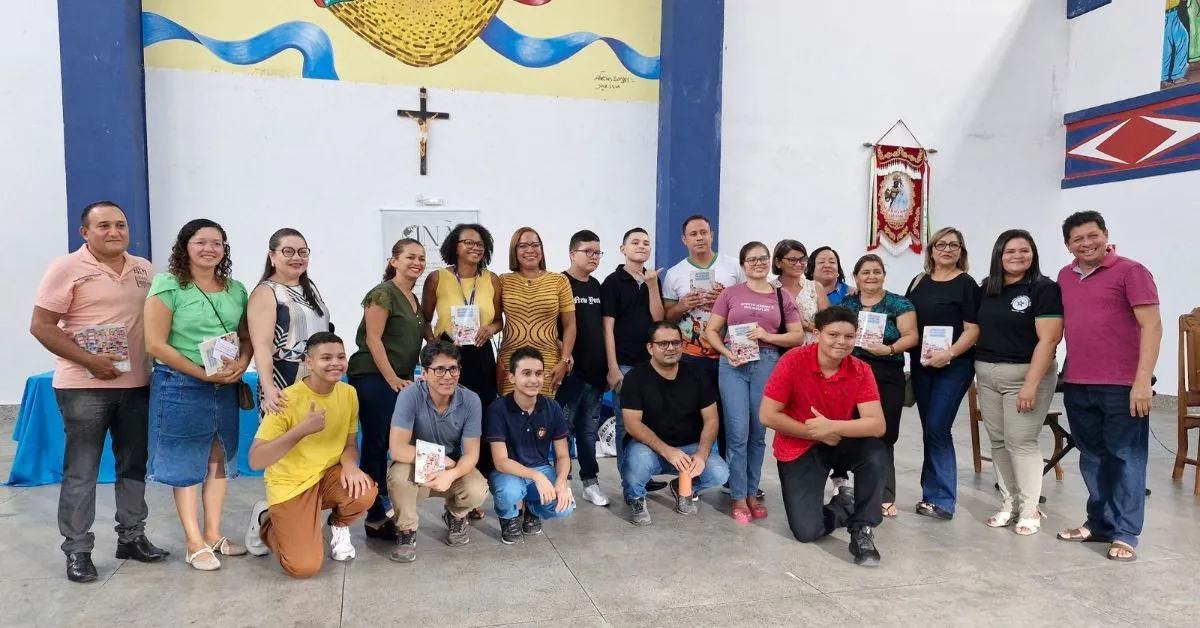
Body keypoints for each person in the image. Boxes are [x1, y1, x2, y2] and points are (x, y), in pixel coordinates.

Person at [30, 201, 168, 583]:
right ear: (84, 232)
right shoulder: (66, 268)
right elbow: (41, 325)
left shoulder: (144, 269)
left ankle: (132, 537)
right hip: (84, 388)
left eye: (120, 225)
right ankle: (78, 550)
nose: (114, 232)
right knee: (83, 470)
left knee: (133, 465)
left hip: (137, 385)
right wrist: (90, 360)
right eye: (104, 225)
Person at [144, 218, 253, 571]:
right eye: (201, 242)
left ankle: (213, 533)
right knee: (187, 460)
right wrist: (201, 373)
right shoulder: (168, 285)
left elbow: (247, 336)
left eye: (217, 243)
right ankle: (193, 541)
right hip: (179, 383)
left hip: (225, 384)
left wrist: (243, 363)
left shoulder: (236, 289)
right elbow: (155, 344)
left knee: (218, 458)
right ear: (185, 246)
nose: (210, 249)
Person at [1055, 211, 1161, 562]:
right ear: (1068, 245)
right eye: (1077, 239)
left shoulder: (1131, 272)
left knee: (1126, 457)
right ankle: (1099, 522)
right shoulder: (1065, 276)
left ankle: (1127, 532)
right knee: (1092, 457)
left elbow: (1152, 326)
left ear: (1105, 234)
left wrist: (1142, 381)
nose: (1086, 243)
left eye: (1092, 235)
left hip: (1122, 386)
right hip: (1078, 383)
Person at [759, 307, 886, 567]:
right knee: (806, 532)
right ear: (817, 334)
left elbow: (877, 424)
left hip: (840, 440)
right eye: (833, 335)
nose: (841, 342)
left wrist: (832, 427)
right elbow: (768, 415)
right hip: (799, 444)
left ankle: (862, 528)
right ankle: (844, 505)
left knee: (875, 453)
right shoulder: (794, 360)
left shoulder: (861, 369)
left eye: (849, 336)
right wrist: (814, 431)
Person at [244, 332, 376, 578]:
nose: (335, 363)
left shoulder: (348, 393)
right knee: (303, 567)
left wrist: (350, 465)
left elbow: (349, 445)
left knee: (365, 490)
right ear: (308, 362)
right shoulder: (286, 400)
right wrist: (301, 430)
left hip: (326, 478)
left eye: (340, 356)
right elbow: (255, 459)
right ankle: (266, 520)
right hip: (291, 486)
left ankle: (337, 527)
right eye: (326, 357)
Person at [705, 241, 806, 522]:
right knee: (737, 433)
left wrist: (767, 336)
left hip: (767, 363)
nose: (758, 263)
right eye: (751, 259)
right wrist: (726, 353)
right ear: (743, 265)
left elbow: (797, 336)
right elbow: (712, 330)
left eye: (763, 258)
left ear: (770, 261)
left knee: (759, 434)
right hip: (733, 365)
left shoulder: (781, 296)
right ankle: (737, 495)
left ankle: (752, 491)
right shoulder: (730, 293)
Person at [974, 230, 1063, 535]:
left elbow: (1049, 339)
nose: (1017, 256)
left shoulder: (1044, 289)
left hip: (1025, 375)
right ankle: (1009, 503)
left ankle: (1030, 509)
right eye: (1010, 251)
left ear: (1033, 254)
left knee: (1021, 442)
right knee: (999, 442)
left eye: (1024, 250)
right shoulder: (987, 288)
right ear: (999, 255)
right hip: (986, 374)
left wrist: (1030, 385)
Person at [347, 238, 426, 541]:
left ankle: (389, 505)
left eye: (421, 258)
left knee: (395, 443)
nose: (416, 263)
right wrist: (392, 378)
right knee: (377, 444)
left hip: (401, 380)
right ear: (394, 261)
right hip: (374, 377)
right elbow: (374, 339)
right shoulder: (382, 293)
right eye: (409, 257)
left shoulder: (413, 298)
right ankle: (375, 514)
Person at [620, 322, 731, 525]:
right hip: (649, 448)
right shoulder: (635, 378)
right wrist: (667, 451)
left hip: (688, 449)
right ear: (650, 348)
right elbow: (632, 424)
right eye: (663, 343)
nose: (671, 348)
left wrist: (702, 454)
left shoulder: (697, 375)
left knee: (720, 472)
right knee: (637, 462)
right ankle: (635, 496)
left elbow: (712, 419)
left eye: (675, 343)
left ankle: (683, 487)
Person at [386, 341, 488, 563]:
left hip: (451, 468)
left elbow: (472, 453)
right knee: (399, 477)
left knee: (477, 489)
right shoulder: (410, 396)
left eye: (453, 368)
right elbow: (397, 449)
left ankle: (456, 516)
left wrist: (451, 473)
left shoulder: (470, 400)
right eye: (439, 369)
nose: (447, 376)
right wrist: (442, 460)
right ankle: (406, 531)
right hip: (414, 465)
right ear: (423, 372)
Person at [905, 227, 980, 520]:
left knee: (938, 427)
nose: (947, 249)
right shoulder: (919, 281)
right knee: (929, 428)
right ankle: (930, 494)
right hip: (923, 365)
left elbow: (973, 330)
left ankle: (943, 499)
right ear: (931, 250)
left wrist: (948, 354)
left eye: (954, 245)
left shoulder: (966, 284)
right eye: (941, 244)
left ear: (961, 252)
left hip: (954, 366)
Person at [839, 254, 918, 518]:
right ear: (856, 277)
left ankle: (884, 494)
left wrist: (890, 349)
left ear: (884, 274)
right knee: (851, 428)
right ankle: (850, 489)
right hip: (852, 372)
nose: (871, 277)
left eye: (876, 271)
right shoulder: (847, 304)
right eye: (865, 272)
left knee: (883, 433)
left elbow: (912, 336)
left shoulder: (899, 303)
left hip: (887, 372)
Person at [661, 215, 745, 462]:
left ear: (712, 235)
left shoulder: (733, 268)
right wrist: (682, 305)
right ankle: (694, 474)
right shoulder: (675, 273)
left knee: (732, 417)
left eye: (704, 232)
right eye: (693, 234)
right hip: (691, 357)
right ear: (684, 239)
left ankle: (734, 479)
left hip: (731, 353)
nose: (699, 238)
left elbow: (749, 303)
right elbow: (667, 318)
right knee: (693, 415)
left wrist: (728, 297)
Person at [486, 347, 576, 544]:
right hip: (508, 471)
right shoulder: (498, 409)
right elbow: (500, 461)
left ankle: (532, 509)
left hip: (541, 467)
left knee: (566, 506)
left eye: (538, 373)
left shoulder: (552, 407)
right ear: (511, 377)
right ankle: (509, 516)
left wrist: (561, 481)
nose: (533, 380)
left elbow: (562, 455)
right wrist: (536, 476)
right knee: (509, 492)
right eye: (526, 374)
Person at [601, 227, 666, 498]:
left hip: (650, 366)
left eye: (646, 243)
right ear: (623, 249)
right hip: (625, 366)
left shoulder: (653, 280)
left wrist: (651, 286)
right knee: (625, 426)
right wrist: (613, 367)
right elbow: (607, 328)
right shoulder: (613, 282)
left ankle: (641, 475)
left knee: (648, 424)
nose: (641, 246)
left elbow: (659, 319)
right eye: (635, 242)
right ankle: (630, 486)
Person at [247, 228, 330, 416]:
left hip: (318, 380)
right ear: (272, 256)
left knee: (317, 440)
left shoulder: (310, 289)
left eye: (303, 252)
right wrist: (269, 389)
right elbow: (262, 347)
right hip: (285, 381)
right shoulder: (266, 292)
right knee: (284, 440)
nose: (297, 257)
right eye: (288, 251)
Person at [556, 230, 610, 506]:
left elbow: (603, 329)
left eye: (598, 252)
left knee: (589, 433)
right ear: (571, 253)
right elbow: (552, 327)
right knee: (562, 430)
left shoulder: (597, 286)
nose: (594, 257)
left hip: (596, 374)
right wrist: (562, 356)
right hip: (569, 376)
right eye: (588, 251)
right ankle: (561, 482)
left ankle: (590, 482)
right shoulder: (559, 283)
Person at [421, 223, 502, 406]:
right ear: (455, 247)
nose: (476, 247)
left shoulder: (492, 279)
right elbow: (424, 321)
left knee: (483, 408)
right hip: (448, 351)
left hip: (481, 351)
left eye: (480, 244)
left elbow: (499, 321)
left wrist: (490, 329)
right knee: (448, 407)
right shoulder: (437, 278)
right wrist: (435, 343)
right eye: (469, 242)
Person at [497, 227, 576, 398]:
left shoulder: (559, 281)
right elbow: (495, 320)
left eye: (535, 245)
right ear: (514, 251)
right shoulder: (503, 281)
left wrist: (564, 360)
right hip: (512, 362)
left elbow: (570, 325)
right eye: (523, 246)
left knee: (543, 417)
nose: (530, 250)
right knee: (511, 416)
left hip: (547, 362)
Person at [772, 239, 828, 345]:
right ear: (778, 262)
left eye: (803, 259)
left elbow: (828, 325)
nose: (799, 264)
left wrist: (805, 325)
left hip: (813, 349)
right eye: (792, 260)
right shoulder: (770, 289)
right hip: (780, 349)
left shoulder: (815, 287)